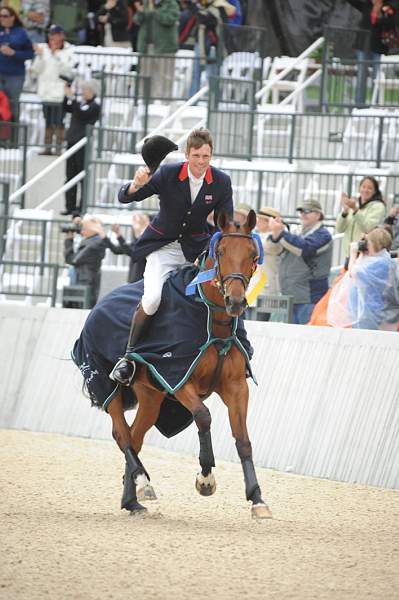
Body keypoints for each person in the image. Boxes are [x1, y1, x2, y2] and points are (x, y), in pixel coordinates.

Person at [111, 127, 233, 385]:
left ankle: (235, 351)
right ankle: (128, 358)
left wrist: (212, 252)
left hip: (197, 250)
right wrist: (136, 184)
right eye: (197, 156)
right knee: (153, 298)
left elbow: (227, 224)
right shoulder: (167, 173)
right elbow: (125, 197)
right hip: (163, 248)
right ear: (188, 154)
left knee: (224, 292)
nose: (201, 162)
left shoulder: (221, 182)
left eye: (206, 156)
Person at [269, 198, 333, 325]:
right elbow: (275, 249)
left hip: (310, 298)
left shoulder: (323, 235)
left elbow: (305, 248)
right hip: (291, 297)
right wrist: (276, 234)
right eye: (301, 211)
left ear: (318, 215)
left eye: (308, 211)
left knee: (309, 338)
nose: (303, 214)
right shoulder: (297, 232)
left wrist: (281, 233)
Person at [327, 227, 399, 330]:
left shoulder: (380, 262)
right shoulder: (379, 260)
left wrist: (353, 254)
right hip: (367, 313)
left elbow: (353, 273)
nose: (366, 245)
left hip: (372, 315)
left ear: (375, 243)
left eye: (368, 242)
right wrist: (361, 254)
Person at [30, 24, 75, 155]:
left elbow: (68, 70)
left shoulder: (69, 50)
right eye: (51, 34)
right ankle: (48, 147)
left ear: (61, 36)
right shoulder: (43, 49)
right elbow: (36, 70)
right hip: (45, 91)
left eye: (55, 34)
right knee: (48, 120)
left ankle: (59, 147)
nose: (52, 37)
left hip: (60, 92)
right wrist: (39, 56)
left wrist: (55, 55)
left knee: (59, 120)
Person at [62, 78, 101, 215]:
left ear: (92, 91)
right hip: (72, 142)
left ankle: (81, 207)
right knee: (70, 175)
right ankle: (69, 206)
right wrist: (66, 95)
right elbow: (67, 108)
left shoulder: (95, 106)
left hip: (82, 144)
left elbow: (82, 114)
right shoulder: (80, 103)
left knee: (81, 176)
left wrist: (72, 98)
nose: (83, 92)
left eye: (86, 90)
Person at [347, 0, 397, 106]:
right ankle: (359, 105)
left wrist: (380, 18)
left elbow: (392, 22)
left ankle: (377, 104)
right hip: (363, 44)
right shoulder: (367, 5)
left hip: (379, 46)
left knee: (377, 76)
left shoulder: (388, 7)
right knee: (361, 75)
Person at [186, 0, 236, 98]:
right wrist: (194, 7)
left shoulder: (219, 9)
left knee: (212, 76)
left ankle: (213, 100)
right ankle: (192, 99)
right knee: (196, 73)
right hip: (200, 45)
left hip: (214, 46)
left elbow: (209, 21)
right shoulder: (199, 8)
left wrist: (197, 10)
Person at [134, 0, 180, 99]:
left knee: (165, 77)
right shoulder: (146, 3)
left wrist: (154, 11)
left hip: (165, 48)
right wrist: (140, 12)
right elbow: (137, 21)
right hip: (146, 47)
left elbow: (169, 19)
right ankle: (145, 100)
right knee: (145, 75)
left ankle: (164, 103)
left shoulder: (171, 4)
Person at [336, 175, 386, 263]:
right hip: (350, 254)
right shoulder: (354, 205)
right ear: (359, 188)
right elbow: (340, 229)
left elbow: (367, 228)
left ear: (375, 191)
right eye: (363, 187)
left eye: (370, 188)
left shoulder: (378, 206)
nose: (365, 190)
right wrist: (345, 211)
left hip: (365, 255)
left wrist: (355, 209)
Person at [0, 6, 33, 131]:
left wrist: (14, 53)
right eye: (0, 16)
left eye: (5, 16)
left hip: (15, 75)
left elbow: (30, 54)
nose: (2, 19)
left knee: (12, 105)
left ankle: (12, 139)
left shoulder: (21, 33)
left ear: (12, 17)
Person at [64, 214, 108, 308]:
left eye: (84, 226)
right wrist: (77, 223)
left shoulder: (95, 243)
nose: (81, 229)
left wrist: (69, 239)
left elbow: (72, 259)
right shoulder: (92, 240)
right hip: (80, 282)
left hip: (85, 285)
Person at [105, 212, 150, 283]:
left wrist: (140, 231)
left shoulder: (149, 242)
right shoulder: (137, 242)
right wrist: (114, 235)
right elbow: (116, 250)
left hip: (141, 283)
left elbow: (133, 253)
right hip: (132, 282)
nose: (134, 225)